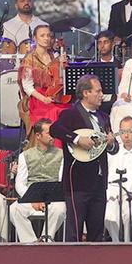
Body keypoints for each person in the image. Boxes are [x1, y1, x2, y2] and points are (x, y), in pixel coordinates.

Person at [50, 75, 114, 242]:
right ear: (86, 93)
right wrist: (77, 139)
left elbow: (113, 149)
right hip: (78, 181)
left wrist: (111, 144)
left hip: (99, 181)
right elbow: (55, 129)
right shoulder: (71, 114)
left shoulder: (104, 117)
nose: (101, 95)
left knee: (97, 231)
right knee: (75, 231)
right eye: (98, 91)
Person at [11, 118, 65, 243]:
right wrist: (32, 199)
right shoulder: (25, 155)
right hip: (31, 197)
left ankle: (46, 240)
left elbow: (61, 180)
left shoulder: (61, 154)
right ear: (38, 136)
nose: (52, 136)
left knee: (60, 209)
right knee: (14, 209)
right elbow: (20, 183)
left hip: (53, 197)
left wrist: (50, 198)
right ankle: (30, 242)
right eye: (49, 133)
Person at [19, 25, 71, 131]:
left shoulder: (54, 55)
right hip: (38, 98)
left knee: (70, 110)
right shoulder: (29, 59)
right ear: (35, 38)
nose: (46, 38)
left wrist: (62, 65)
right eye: (42, 36)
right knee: (55, 111)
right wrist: (44, 99)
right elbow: (27, 87)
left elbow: (60, 78)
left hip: (55, 94)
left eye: (48, 35)